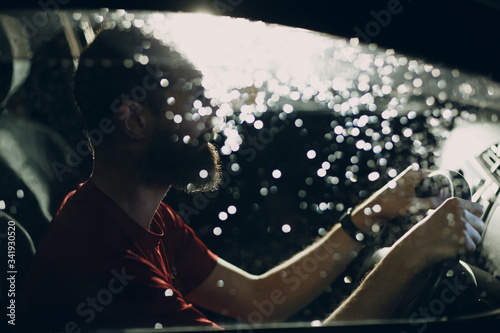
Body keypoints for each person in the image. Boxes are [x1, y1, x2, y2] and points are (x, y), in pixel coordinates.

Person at [19, 27, 485, 331]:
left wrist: (373, 212)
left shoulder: (142, 218)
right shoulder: (101, 263)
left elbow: (259, 299)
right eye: (195, 98)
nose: (214, 113)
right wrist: (412, 256)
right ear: (134, 120)